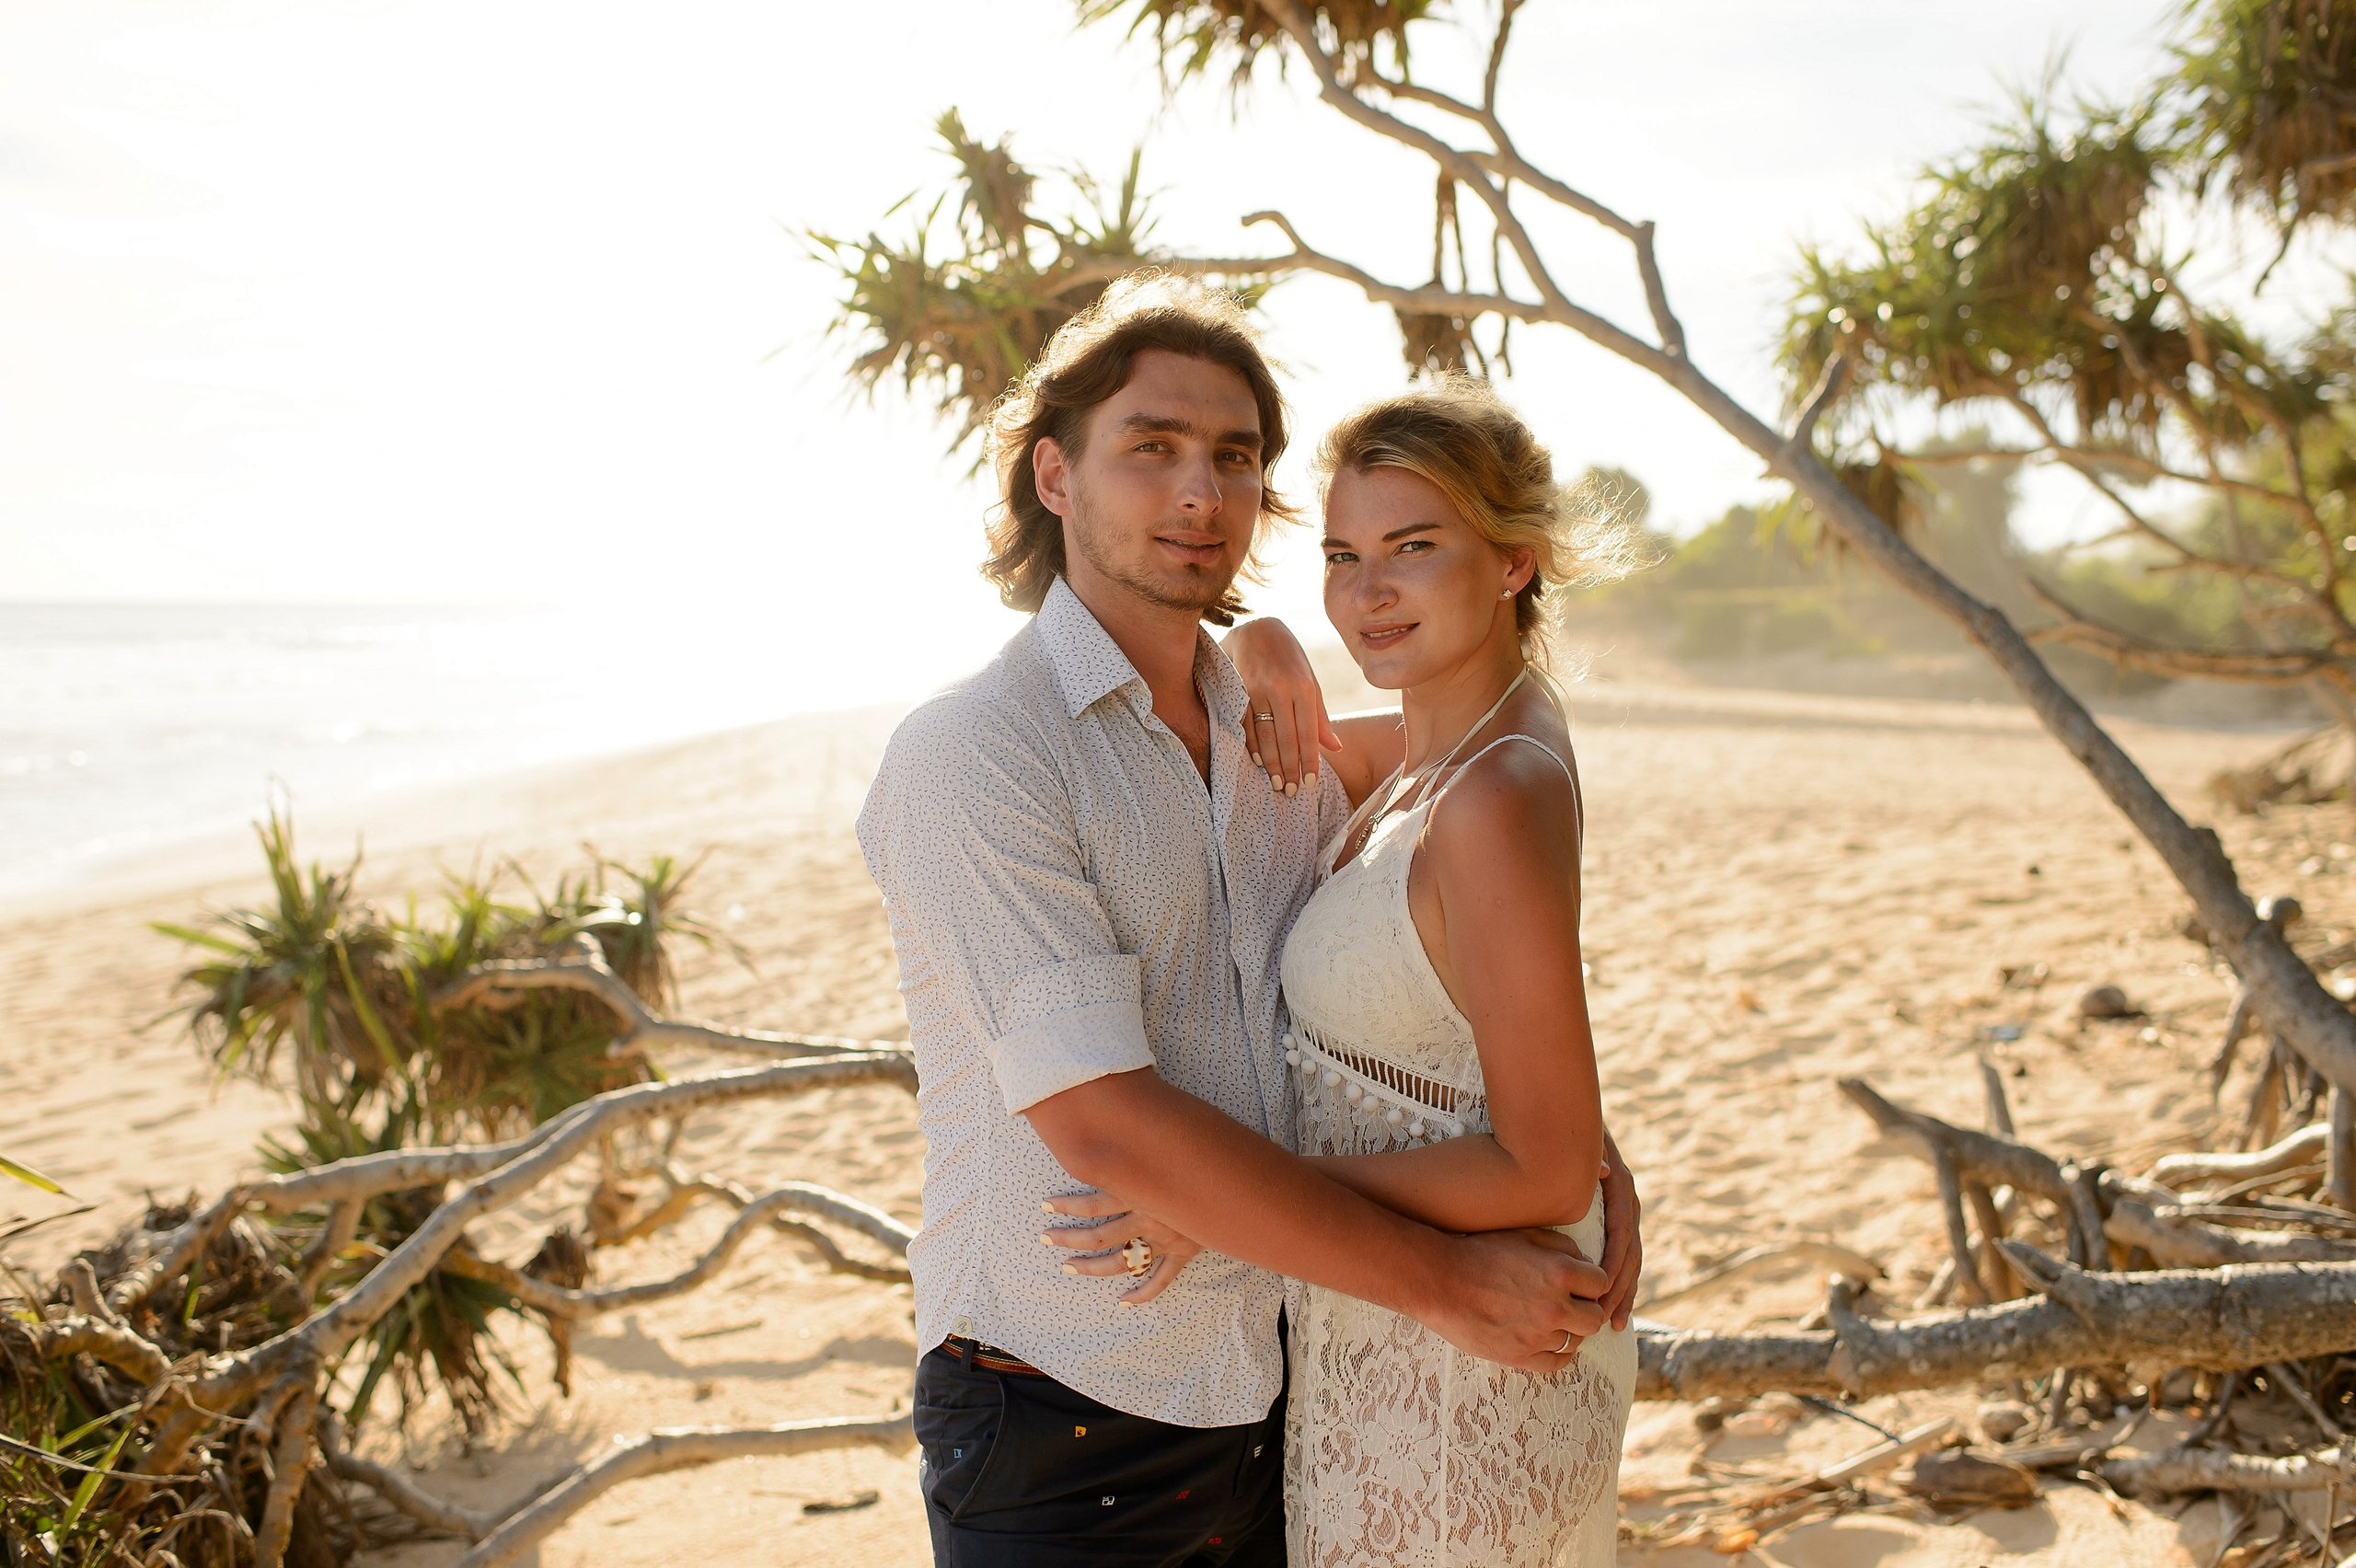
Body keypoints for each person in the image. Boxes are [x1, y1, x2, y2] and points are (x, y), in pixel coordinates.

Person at [855, 274, 1642, 1568]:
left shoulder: (1274, 741)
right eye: (1149, 449)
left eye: (1233, 458)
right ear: (1054, 477)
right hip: (1070, 1408)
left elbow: (1490, 768)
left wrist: (1573, 1172)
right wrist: (1458, 1275)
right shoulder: (979, 755)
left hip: (1295, 1386)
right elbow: (1104, 1123)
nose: (1196, 495)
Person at [1045, 380, 1639, 1564]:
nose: (1367, 593)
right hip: (1396, 1324)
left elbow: (1545, 1160)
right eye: (1339, 554)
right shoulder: (1444, 747)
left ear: (1513, 561)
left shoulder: (1495, 792)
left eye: (1413, 549)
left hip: (1472, 1339)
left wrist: (1227, 1210)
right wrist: (1259, 636)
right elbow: (1303, 752)